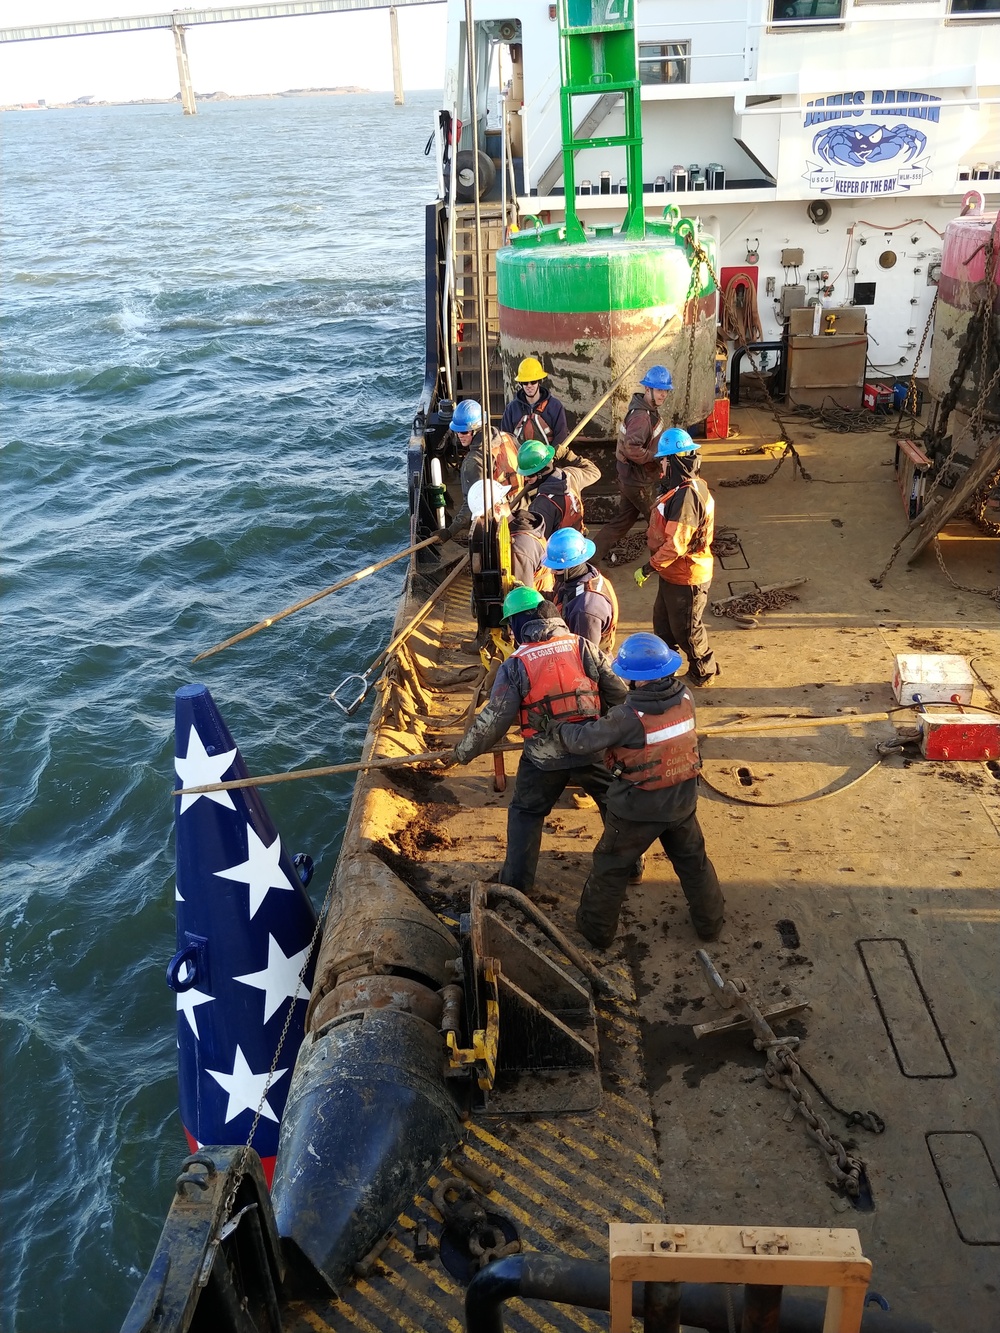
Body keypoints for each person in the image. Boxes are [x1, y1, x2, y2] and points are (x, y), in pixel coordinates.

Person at [446, 597, 627, 895]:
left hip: (544, 758)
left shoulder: (516, 664)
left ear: (521, 623)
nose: (510, 633)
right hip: (591, 747)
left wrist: (463, 752)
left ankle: (517, 885)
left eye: (511, 626)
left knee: (525, 813)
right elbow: (618, 694)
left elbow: (495, 720)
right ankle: (629, 866)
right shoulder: (584, 647)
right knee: (615, 803)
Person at [555, 632, 725, 949]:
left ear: (634, 679)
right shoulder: (686, 696)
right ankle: (710, 925)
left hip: (636, 810)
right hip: (682, 802)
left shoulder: (626, 717)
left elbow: (583, 741)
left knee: (610, 867)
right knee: (694, 864)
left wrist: (556, 727)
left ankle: (596, 932)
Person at [636, 427, 719, 686]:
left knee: (687, 630)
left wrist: (649, 567)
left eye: (663, 459)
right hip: (671, 573)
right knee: (663, 624)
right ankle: (665, 669)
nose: (660, 465)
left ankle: (704, 672)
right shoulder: (682, 488)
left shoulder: (686, 497)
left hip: (687, 575)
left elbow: (677, 543)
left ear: (673, 461)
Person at [593, 365, 672, 563]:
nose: (663, 395)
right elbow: (632, 448)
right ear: (648, 390)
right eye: (659, 390)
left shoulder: (647, 411)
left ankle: (590, 558)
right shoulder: (641, 417)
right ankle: (663, 564)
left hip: (631, 479)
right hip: (639, 482)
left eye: (665, 391)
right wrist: (655, 457)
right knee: (658, 521)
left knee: (622, 522)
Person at [443, 399, 522, 543]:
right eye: (457, 431)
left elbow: (472, 505)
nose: (460, 435)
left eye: (464, 431)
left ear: (477, 429)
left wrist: (450, 531)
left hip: (500, 519)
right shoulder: (507, 437)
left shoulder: (472, 462)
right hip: (521, 506)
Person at [543, 528, 618, 652]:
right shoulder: (583, 575)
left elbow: (587, 657)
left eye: (557, 569)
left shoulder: (586, 610)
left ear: (571, 566)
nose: (552, 572)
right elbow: (562, 595)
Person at [515, 440, 601, 539]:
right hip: (578, 542)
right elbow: (594, 472)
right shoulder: (571, 475)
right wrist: (567, 455)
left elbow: (539, 542)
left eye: (529, 475)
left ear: (540, 474)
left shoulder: (541, 505)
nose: (526, 479)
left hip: (557, 551)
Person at [509, 507, 553, 593]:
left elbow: (523, 595)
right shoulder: (528, 527)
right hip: (546, 592)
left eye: (482, 517)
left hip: (537, 600)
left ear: (497, 508)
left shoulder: (519, 547)